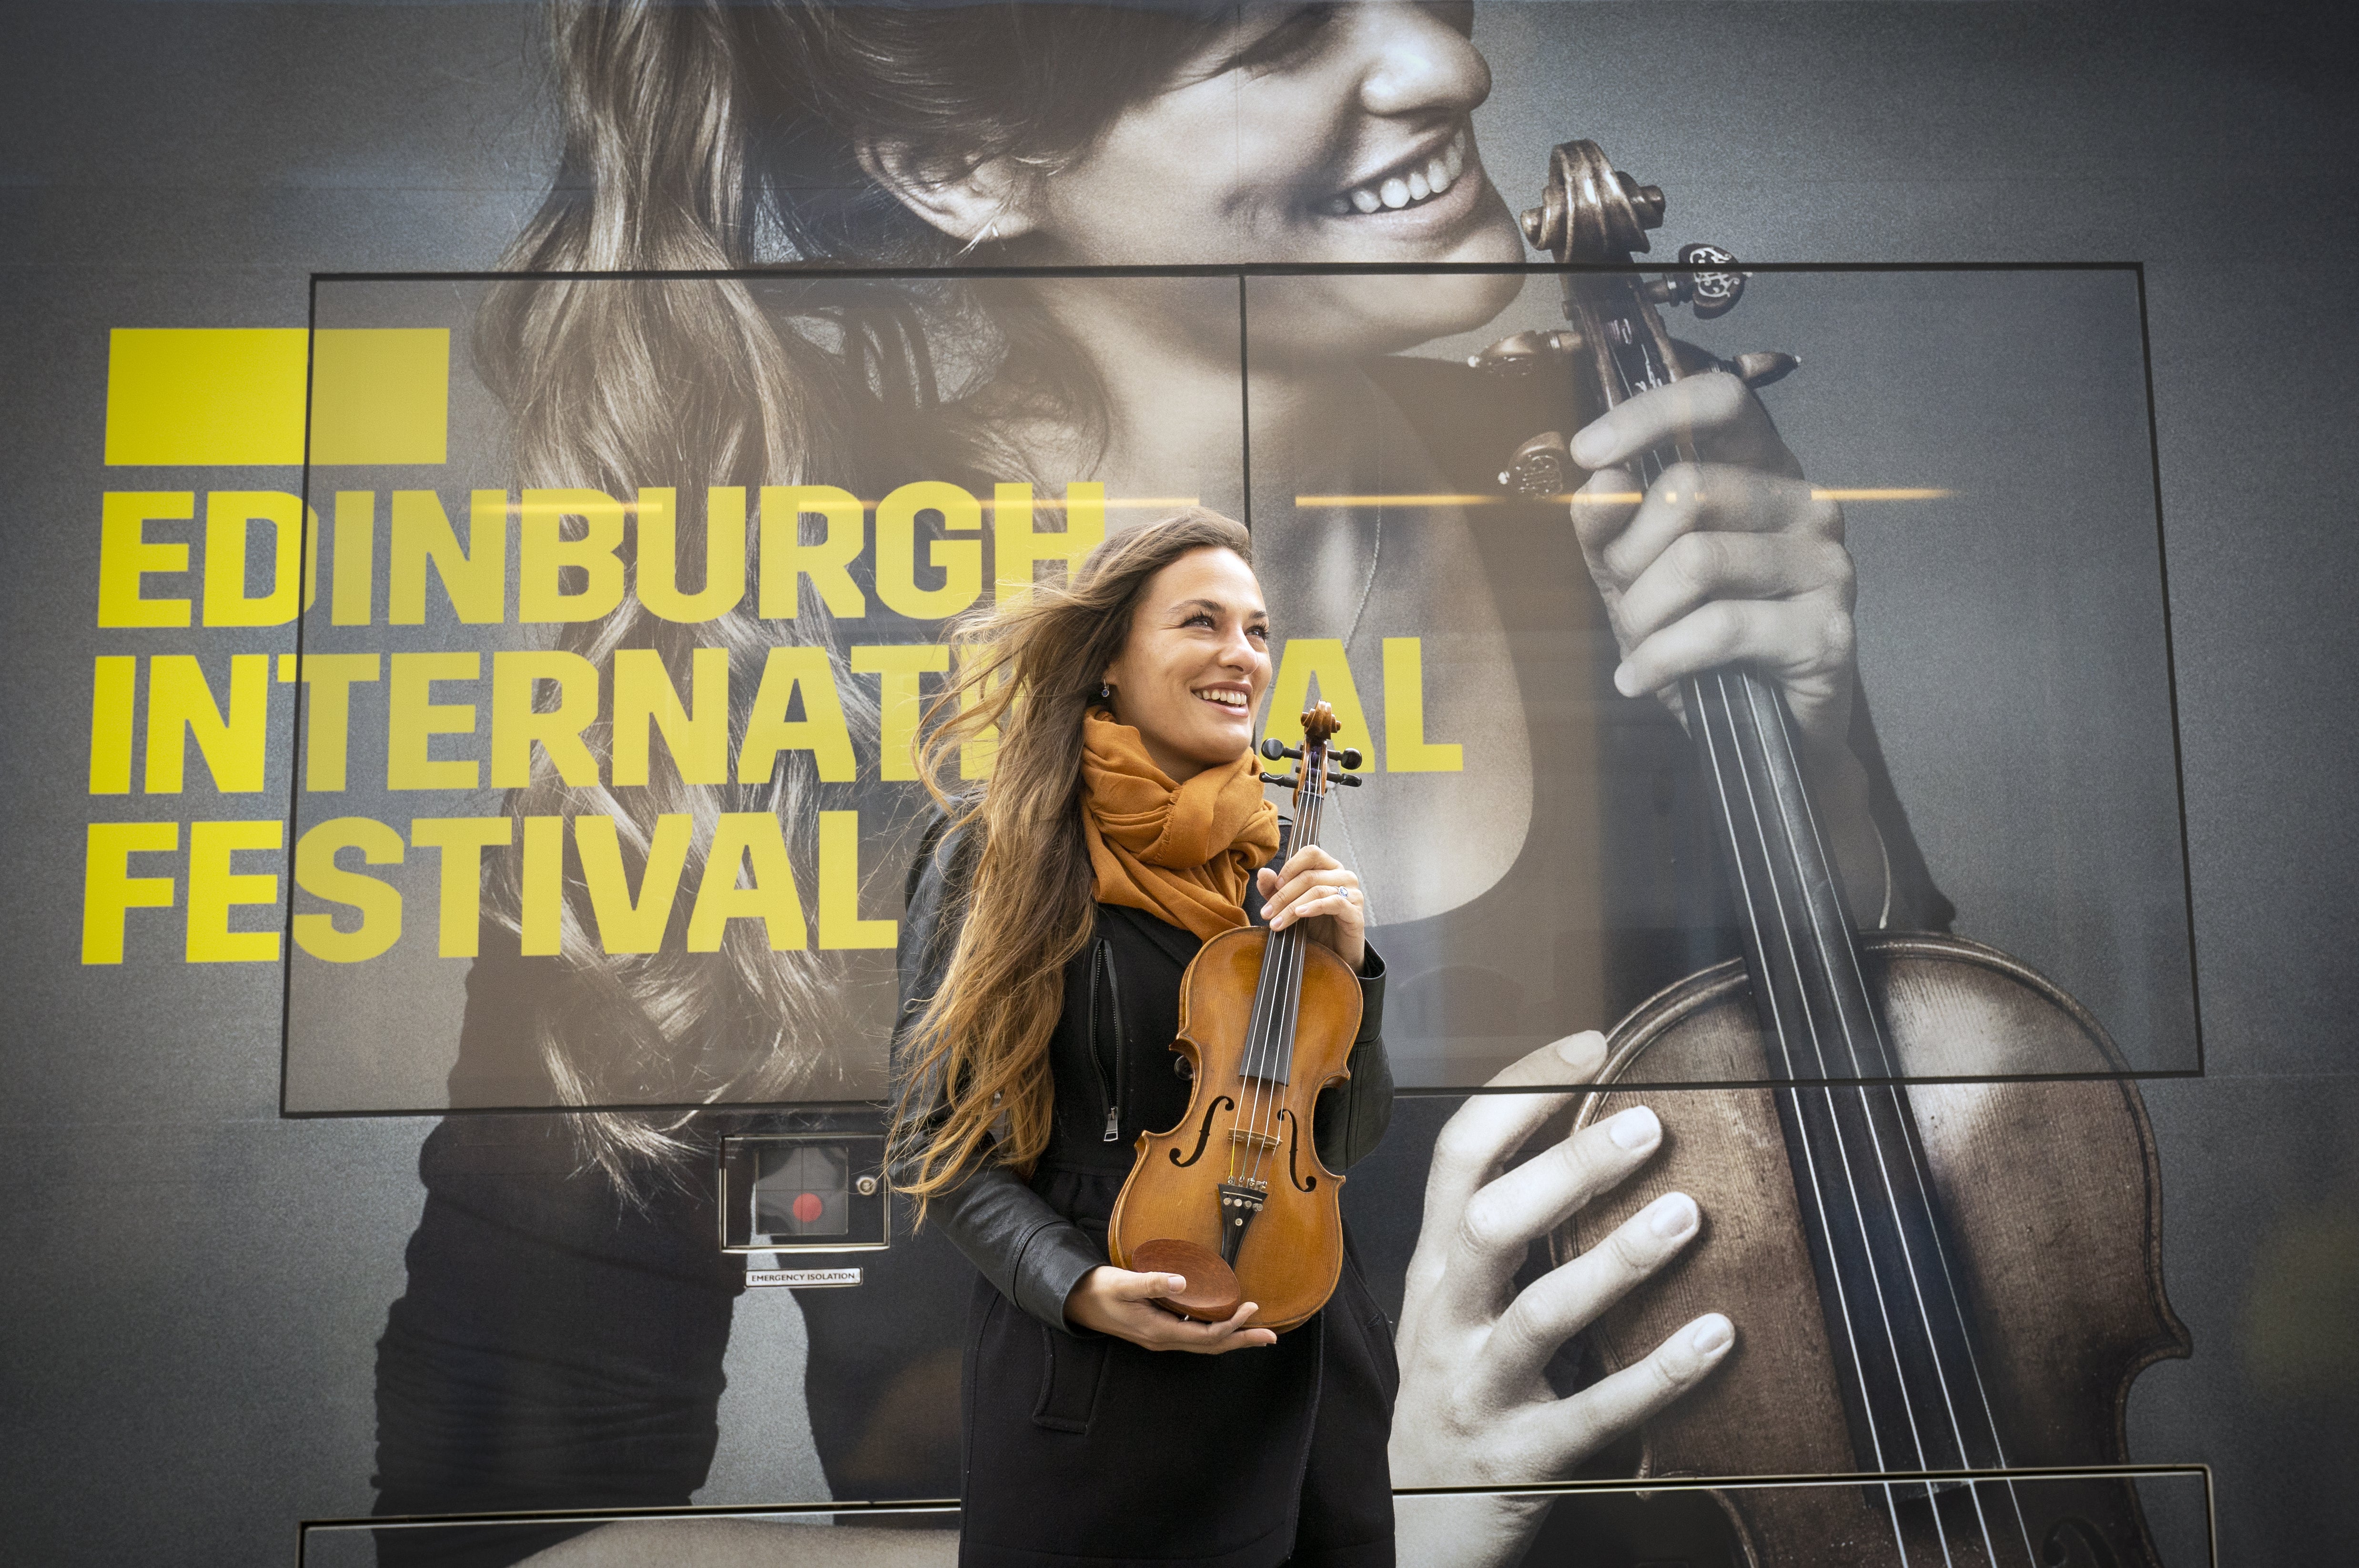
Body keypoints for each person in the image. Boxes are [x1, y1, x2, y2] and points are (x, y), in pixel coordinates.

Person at [373, 2, 1950, 1564]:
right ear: (956, 159)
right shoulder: (761, 692)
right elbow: (505, 1537)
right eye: (1282, 41)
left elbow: (1939, 1212)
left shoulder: (1617, 460)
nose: (1445, 65)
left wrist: (1821, 761)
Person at [888, 510, 1394, 1565]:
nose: (1241, 657)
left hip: (1300, 1367)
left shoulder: (1272, 860)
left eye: (1258, 630)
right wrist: (1074, 1284)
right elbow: (931, 1143)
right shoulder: (994, 855)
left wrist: (1356, 972)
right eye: (1201, 622)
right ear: (1108, 660)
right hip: (1099, 1366)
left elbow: (1337, 1144)